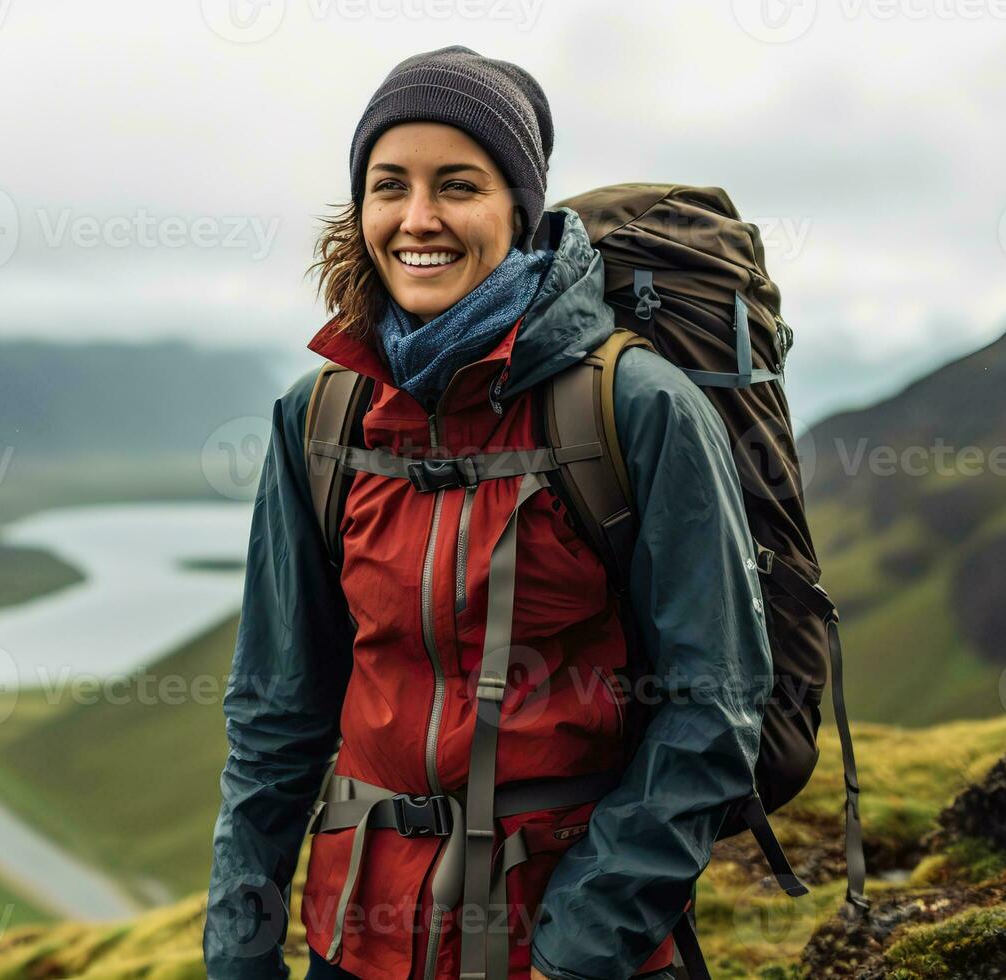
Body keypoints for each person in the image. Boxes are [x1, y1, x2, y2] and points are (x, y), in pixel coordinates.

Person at [204, 45, 772, 980]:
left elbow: (714, 707)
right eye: (390, 186)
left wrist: (583, 945)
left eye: (457, 185)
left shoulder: (634, 408)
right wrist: (240, 946)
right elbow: (275, 711)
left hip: (565, 947)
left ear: (520, 209)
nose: (417, 219)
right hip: (357, 941)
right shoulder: (321, 418)